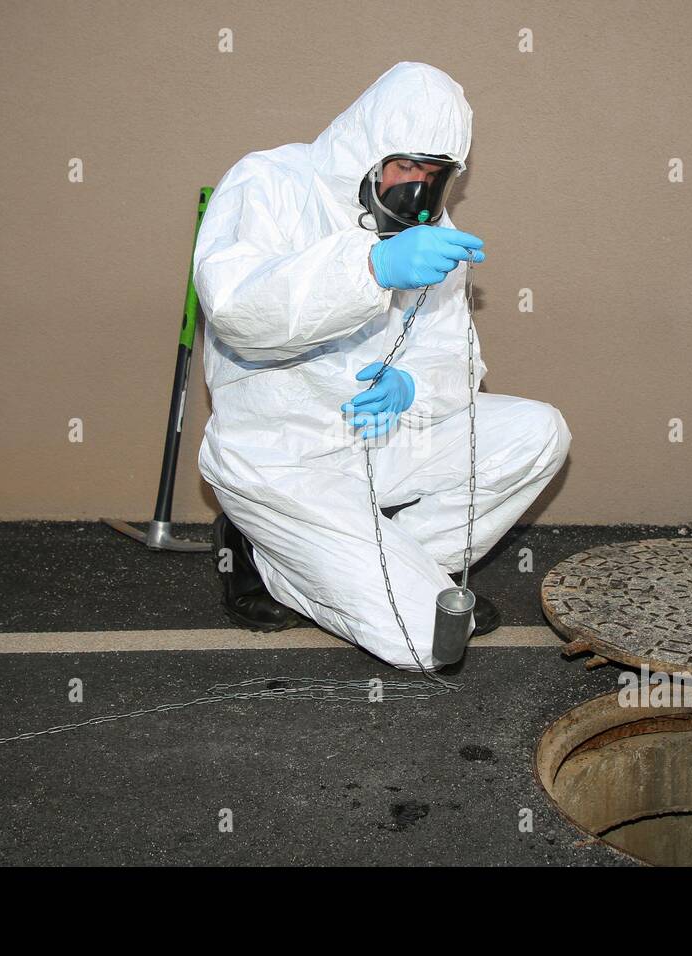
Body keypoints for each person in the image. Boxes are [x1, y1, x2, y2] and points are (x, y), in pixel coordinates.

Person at [194, 61, 571, 670]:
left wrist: (414, 384)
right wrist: (368, 268)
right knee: (428, 639)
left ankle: (399, 569)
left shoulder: (433, 233)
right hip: (279, 454)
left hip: (376, 438)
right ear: (367, 148)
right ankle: (268, 554)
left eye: (435, 174)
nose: (417, 190)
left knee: (539, 433)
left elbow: (458, 358)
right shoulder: (270, 182)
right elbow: (239, 310)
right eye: (406, 167)